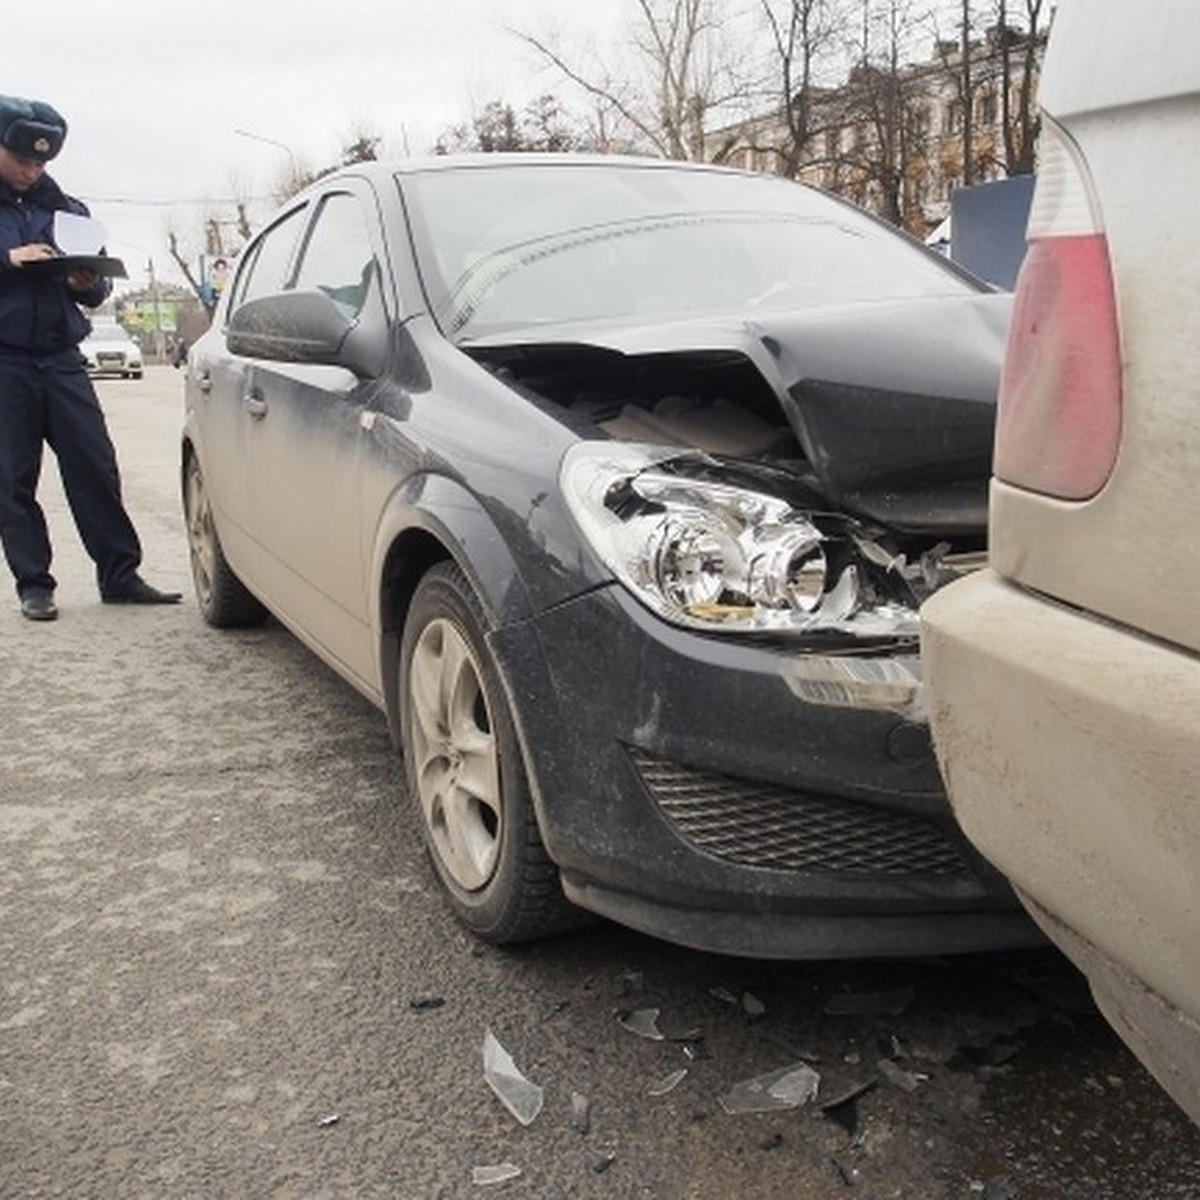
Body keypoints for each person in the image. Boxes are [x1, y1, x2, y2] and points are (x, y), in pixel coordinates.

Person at [0, 95, 180, 621]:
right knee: (12, 478)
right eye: (22, 159)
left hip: (61, 358)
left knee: (94, 466)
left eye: (41, 162)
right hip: (5, 361)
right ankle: (34, 584)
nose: (33, 169)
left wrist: (87, 282)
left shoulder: (68, 211)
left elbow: (97, 289)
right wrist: (9, 260)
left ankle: (120, 575)